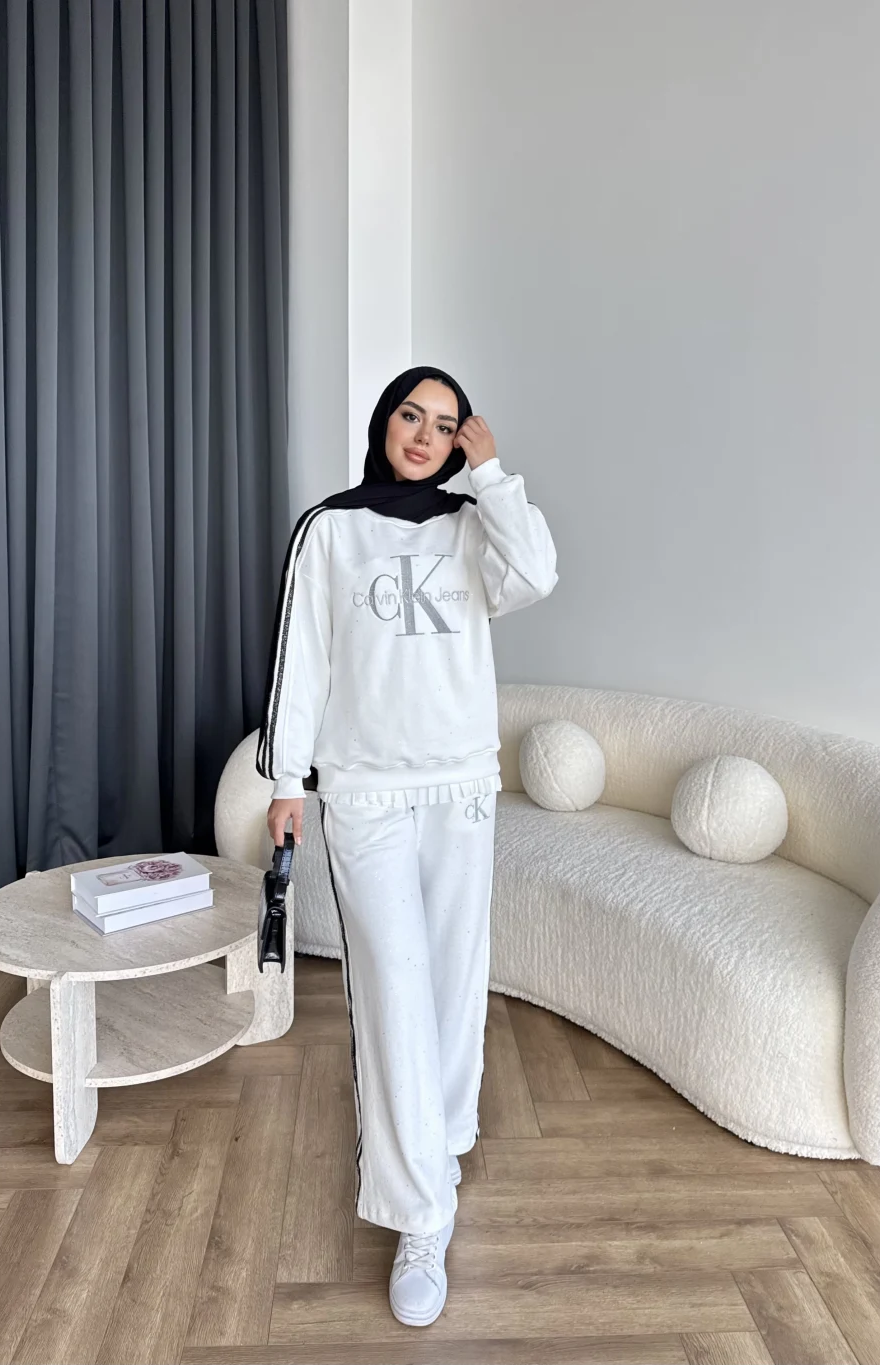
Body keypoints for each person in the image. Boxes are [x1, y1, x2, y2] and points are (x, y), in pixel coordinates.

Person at [256, 365, 557, 1327]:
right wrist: (286, 780)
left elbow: (537, 575)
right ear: (384, 422)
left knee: (454, 978)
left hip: (461, 787)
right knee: (391, 984)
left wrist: (493, 474)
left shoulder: (475, 524)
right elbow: (302, 657)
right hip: (367, 792)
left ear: (460, 437)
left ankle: (443, 1140)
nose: (424, 436)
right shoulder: (330, 529)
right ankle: (421, 1215)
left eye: (444, 423)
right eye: (410, 416)